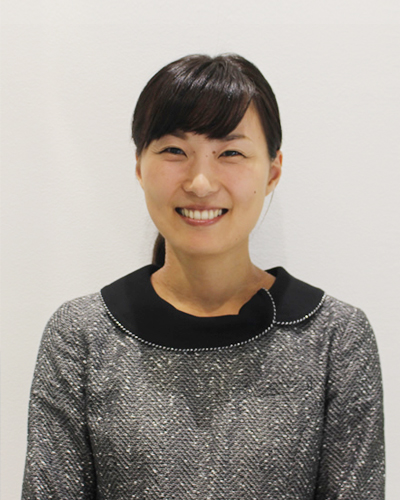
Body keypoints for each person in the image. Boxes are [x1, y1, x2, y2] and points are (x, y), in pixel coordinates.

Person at [22, 54, 385, 499]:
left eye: (230, 153)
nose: (200, 182)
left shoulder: (333, 338)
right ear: (139, 166)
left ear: (272, 171)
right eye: (175, 151)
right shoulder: (82, 336)